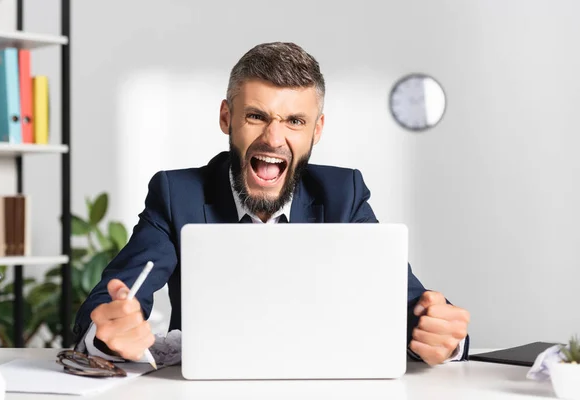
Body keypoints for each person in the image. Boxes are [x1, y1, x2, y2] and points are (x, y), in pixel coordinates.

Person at [74, 42, 470, 366]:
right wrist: (110, 333)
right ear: (227, 118)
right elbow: (117, 297)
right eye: (256, 116)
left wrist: (441, 335)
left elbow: (408, 302)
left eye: (295, 121)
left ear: (317, 130)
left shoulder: (343, 194)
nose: (273, 138)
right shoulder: (178, 194)